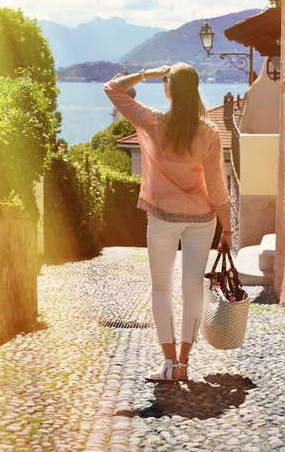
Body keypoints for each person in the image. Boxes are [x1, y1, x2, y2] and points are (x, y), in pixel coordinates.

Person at [103, 63, 233, 382]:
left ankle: (169, 364)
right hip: (202, 219)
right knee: (193, 290)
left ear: (169, 91)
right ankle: (185, 365)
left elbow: (111, 88)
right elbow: (216, 185)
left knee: (161, 288)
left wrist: (147, 73)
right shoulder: (208, 132)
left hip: (162, 217)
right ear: (197, 89)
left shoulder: (153, 122)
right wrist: (228, 228)